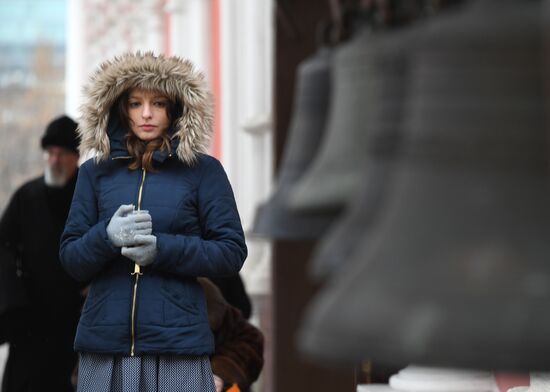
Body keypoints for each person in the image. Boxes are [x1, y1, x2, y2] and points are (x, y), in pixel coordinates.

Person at [59, 52, 248, 392]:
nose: (146, 114)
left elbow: (231, 251)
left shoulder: (203, 171)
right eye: (135, 103)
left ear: (174, 108)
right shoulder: (94, 172)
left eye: (158, 103)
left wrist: (163, 250)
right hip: (106, 346)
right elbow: (72, 260)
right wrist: (106, 237)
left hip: (178, 346)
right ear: (120, 108)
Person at [0, 115, 84, 392]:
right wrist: (14, 299)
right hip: (31, 321)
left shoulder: (90, 196)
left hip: (77, 321)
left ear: (76, 156)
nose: (54, 160)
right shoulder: (27, 197)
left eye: (61, 154)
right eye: (50, 153)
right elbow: (3, 247)